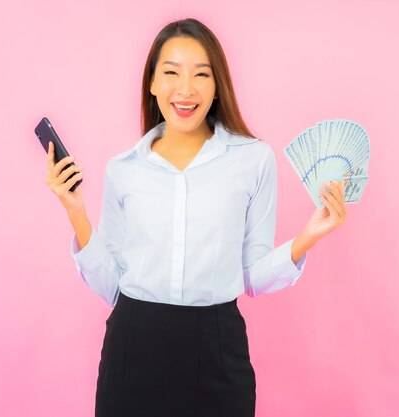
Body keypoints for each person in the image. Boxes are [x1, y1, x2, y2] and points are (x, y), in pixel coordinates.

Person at [45, 17, 348, 417]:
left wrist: (307, 236)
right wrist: (76, 214)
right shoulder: (124, 169)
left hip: (218, 349)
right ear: (151, 83)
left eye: (201, 74)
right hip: (132, 348)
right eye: (171, 72)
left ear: (217, 83)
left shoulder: (253, 160)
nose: (185, 89)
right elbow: (112, 288)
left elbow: (253, 276)